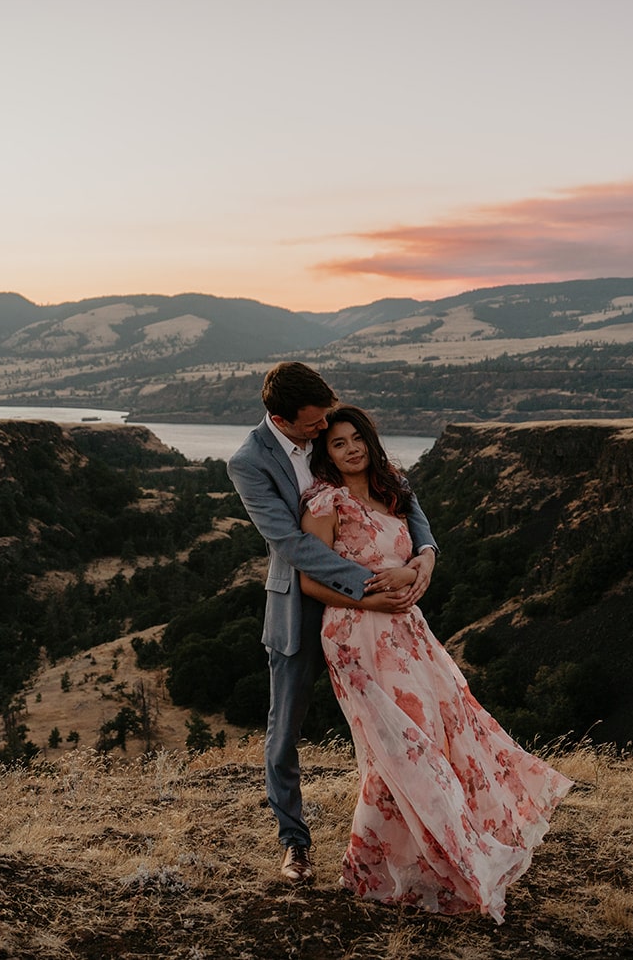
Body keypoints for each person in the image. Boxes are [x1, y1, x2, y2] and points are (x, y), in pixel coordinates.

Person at [299, 405, 573, 923]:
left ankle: (383, 867)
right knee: (405, 746)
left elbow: (419, 548)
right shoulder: (324, 502)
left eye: (357, 438)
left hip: (408, 631)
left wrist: (419, 566)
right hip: (357, 634)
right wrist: (371, 600)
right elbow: (310, 582)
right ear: (326, 453)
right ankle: (404, 864)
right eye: (338, 443)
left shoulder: (393, 491)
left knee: (445, 733)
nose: (352, 449)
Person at [228, 363, 438, 886]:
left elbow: (399, 495)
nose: (325, 430)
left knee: (402, 725)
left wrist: (426, 554)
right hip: (305, 608)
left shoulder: (335, 433)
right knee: (285, 730)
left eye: (328, 420)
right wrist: (374, 584)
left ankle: (413, 839)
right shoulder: (249, 462)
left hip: (379, 622)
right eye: (315, 424)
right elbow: (293, 547)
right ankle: (295, 844)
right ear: (281, 418)